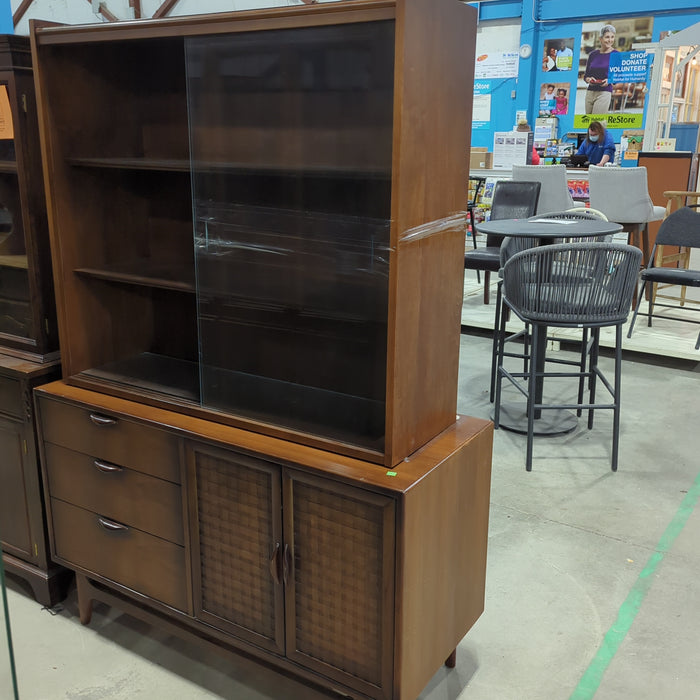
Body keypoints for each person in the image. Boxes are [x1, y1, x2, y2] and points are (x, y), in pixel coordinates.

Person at [583, 24, 618, 114]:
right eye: (607, 37)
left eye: (612, 37)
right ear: (600, 39)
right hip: (590, 91)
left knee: (598, 123)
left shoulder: (616, 55)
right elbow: (586, 75)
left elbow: (619, 75)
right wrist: (589, 79)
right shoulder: (593, 54)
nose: (610, 40)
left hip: (604, 92)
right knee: (588, 123)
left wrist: (609, 80)